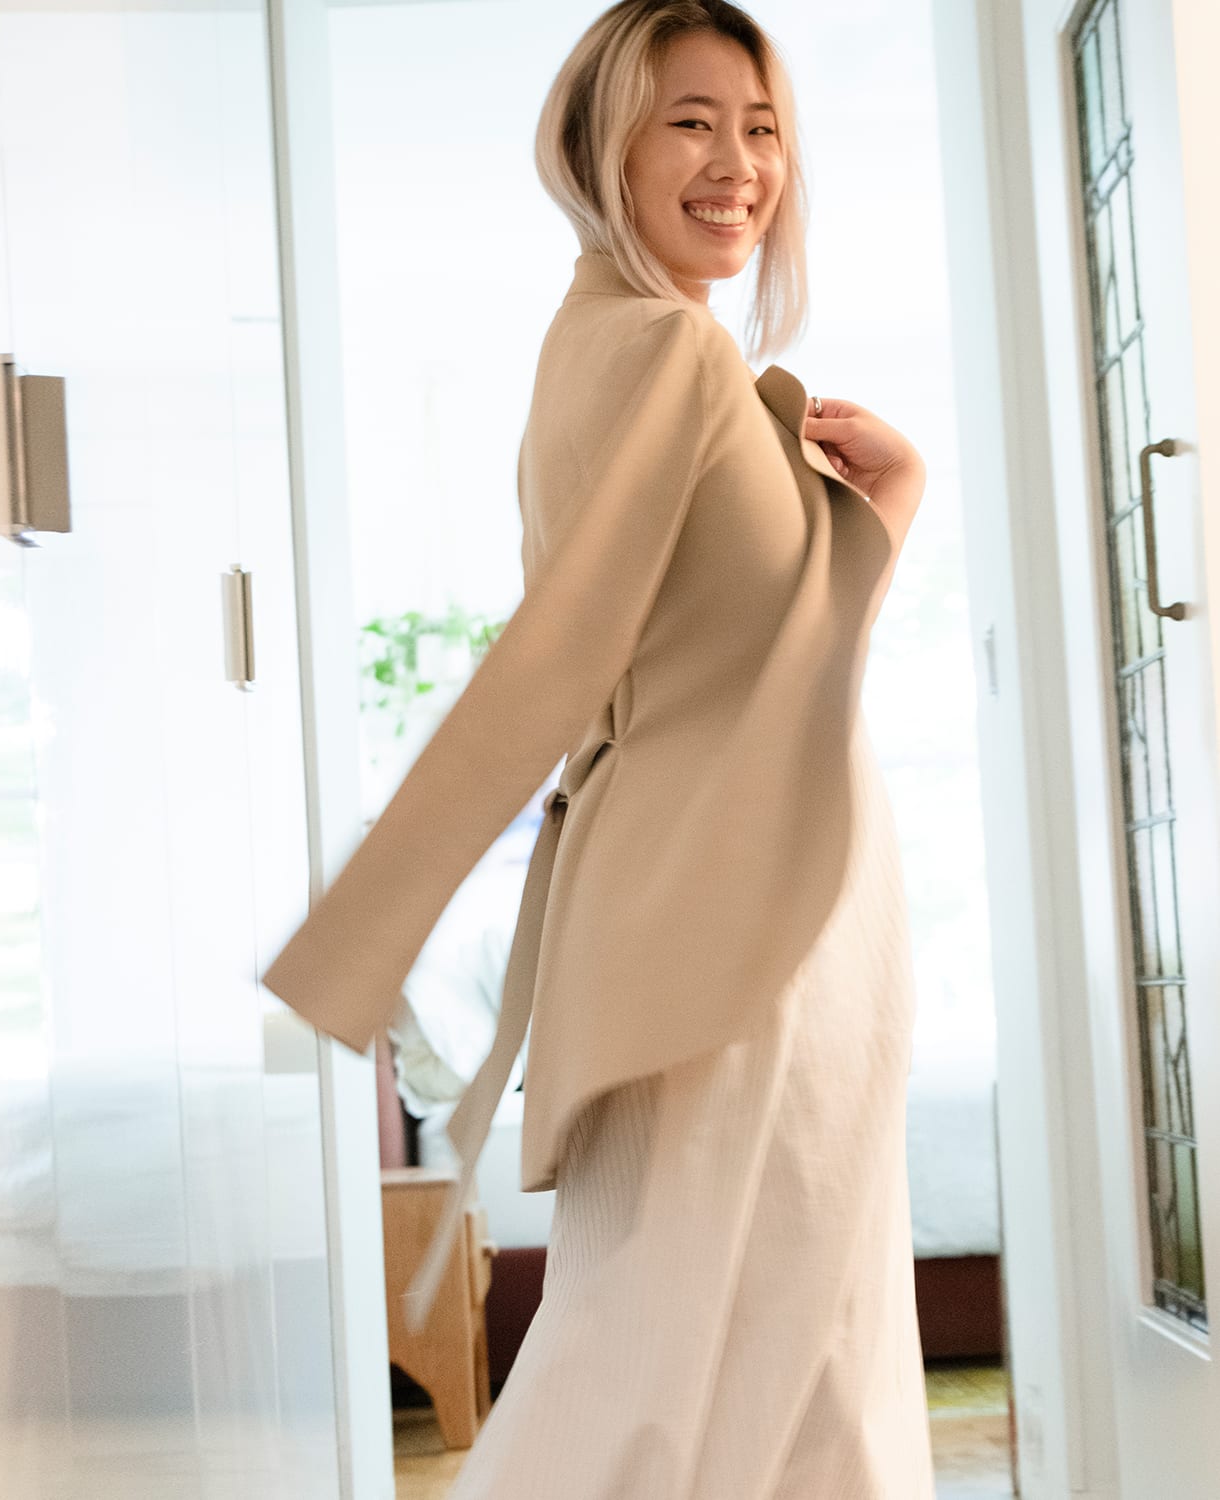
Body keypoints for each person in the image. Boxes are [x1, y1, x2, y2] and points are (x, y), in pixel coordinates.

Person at [262, 1, 934, 1493]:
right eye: (692, 120)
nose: (738, 164)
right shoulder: (657, 356)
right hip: (725, 925)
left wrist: (879, 517)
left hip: (771, 908)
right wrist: (359, 940)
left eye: (762, 128)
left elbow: (749, 669)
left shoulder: (659, 351)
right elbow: (559, 665)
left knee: (804, 1345)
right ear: (599, 141)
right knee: (656, 1360)